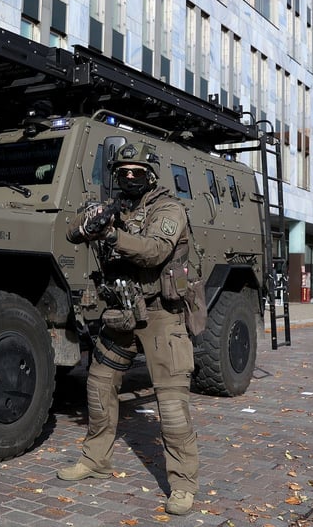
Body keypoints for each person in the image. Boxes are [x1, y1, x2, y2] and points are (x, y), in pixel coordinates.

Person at [57, 141, 198, 516]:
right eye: (123, 173)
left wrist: (111, 235)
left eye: (137, 173)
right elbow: (72, 232)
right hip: (121, 312)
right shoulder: (115, 207)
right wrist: (90, 221)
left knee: (170, 404)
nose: (130, 178)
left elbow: (153, 250)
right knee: (99, 385)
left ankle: (183, 484)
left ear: (150, 177)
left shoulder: (168, 209)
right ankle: (95, 460)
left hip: (160, 315)